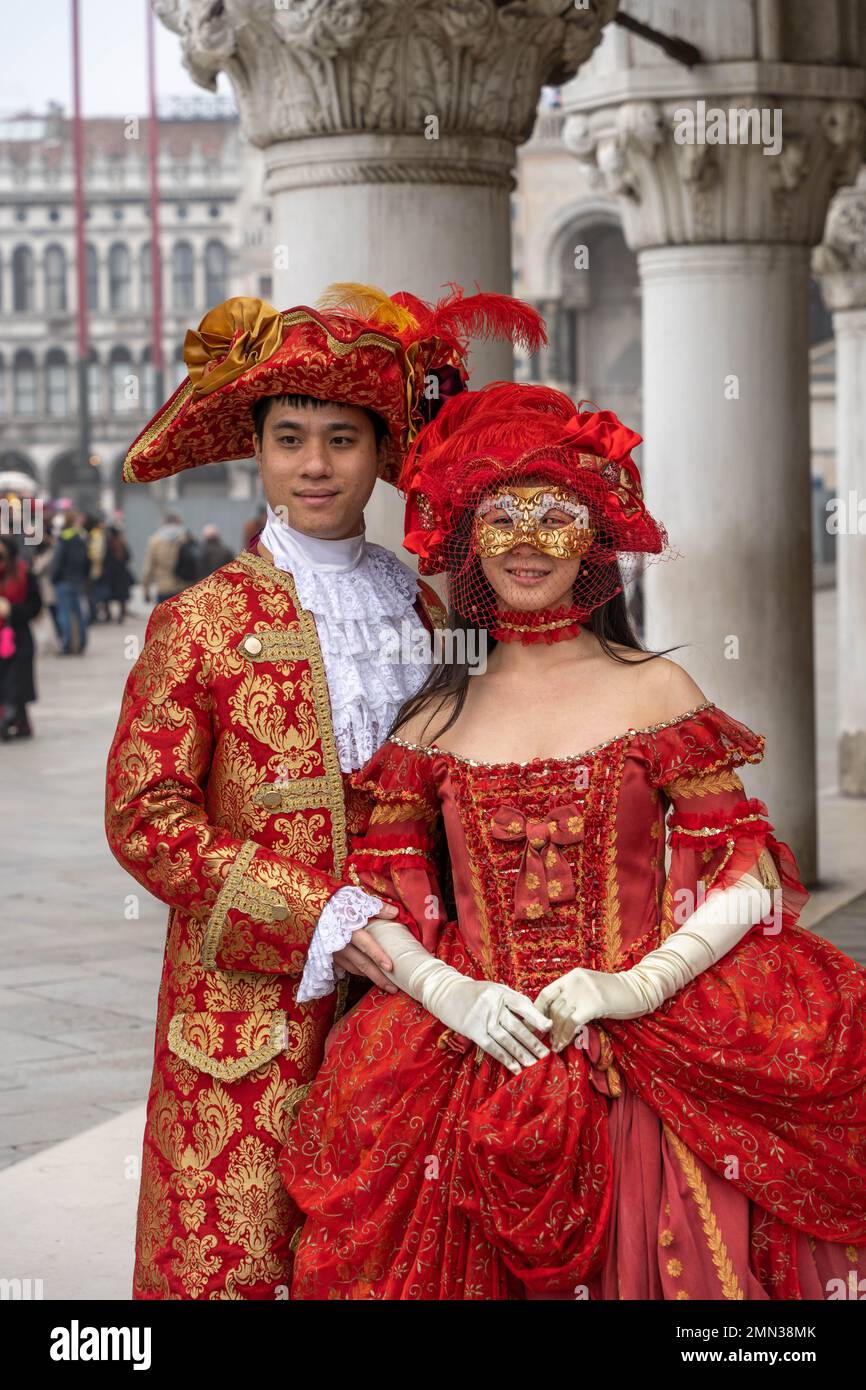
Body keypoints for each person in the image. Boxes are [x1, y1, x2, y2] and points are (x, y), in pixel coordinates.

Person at [280, 382, 866, 1301]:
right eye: (501, 518)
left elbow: (746, 873)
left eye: (553, 517)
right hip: (470, 1055)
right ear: (466, 535)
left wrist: (635, 985)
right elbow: (377, 894)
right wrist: (450, 990)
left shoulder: (656, 688)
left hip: (648, 1047)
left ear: (594, 534)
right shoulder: (434, 717)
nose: (524, 544)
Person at [105, 286, 545, 1300]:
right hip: (251, 1018)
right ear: (254, 450)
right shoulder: (200, 621)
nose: (313, 465)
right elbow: (147, 819)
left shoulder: (428, 608)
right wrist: (321, 914)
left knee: (398, 1255)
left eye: (341, 439)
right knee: (249, 1259)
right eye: (290, 437)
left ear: (375, 451)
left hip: (421, 993)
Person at [0, 534, 42, 740]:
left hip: (18, 637)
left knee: (15, 682)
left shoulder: (25, 574)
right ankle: (15, 721)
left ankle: (12, 720)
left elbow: (35, 606)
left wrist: (11, 610)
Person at [50, 508, 90, 654]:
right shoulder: (82, 536)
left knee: (65, 614)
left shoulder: (64, 537)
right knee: (80, 614)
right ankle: (82, 642)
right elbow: (87, 561)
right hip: (78, 581)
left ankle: (66, 645)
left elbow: (58, 560)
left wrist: (54, 578)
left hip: (64, 581)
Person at [141, 513, 186, 604]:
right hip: (182, 587)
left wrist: (146, 590)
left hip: (163, 588)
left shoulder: (155, 541)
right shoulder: (186, 539)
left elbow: (148, 568)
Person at [103, 524, 134, 623]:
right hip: (122, 574)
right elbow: (129, 556)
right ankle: (121, 615)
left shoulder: (108, 544)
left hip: (111, 574)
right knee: (122, 597)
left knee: (107, 596)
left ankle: (108, 615)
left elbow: (105, 559)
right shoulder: (121, 543)